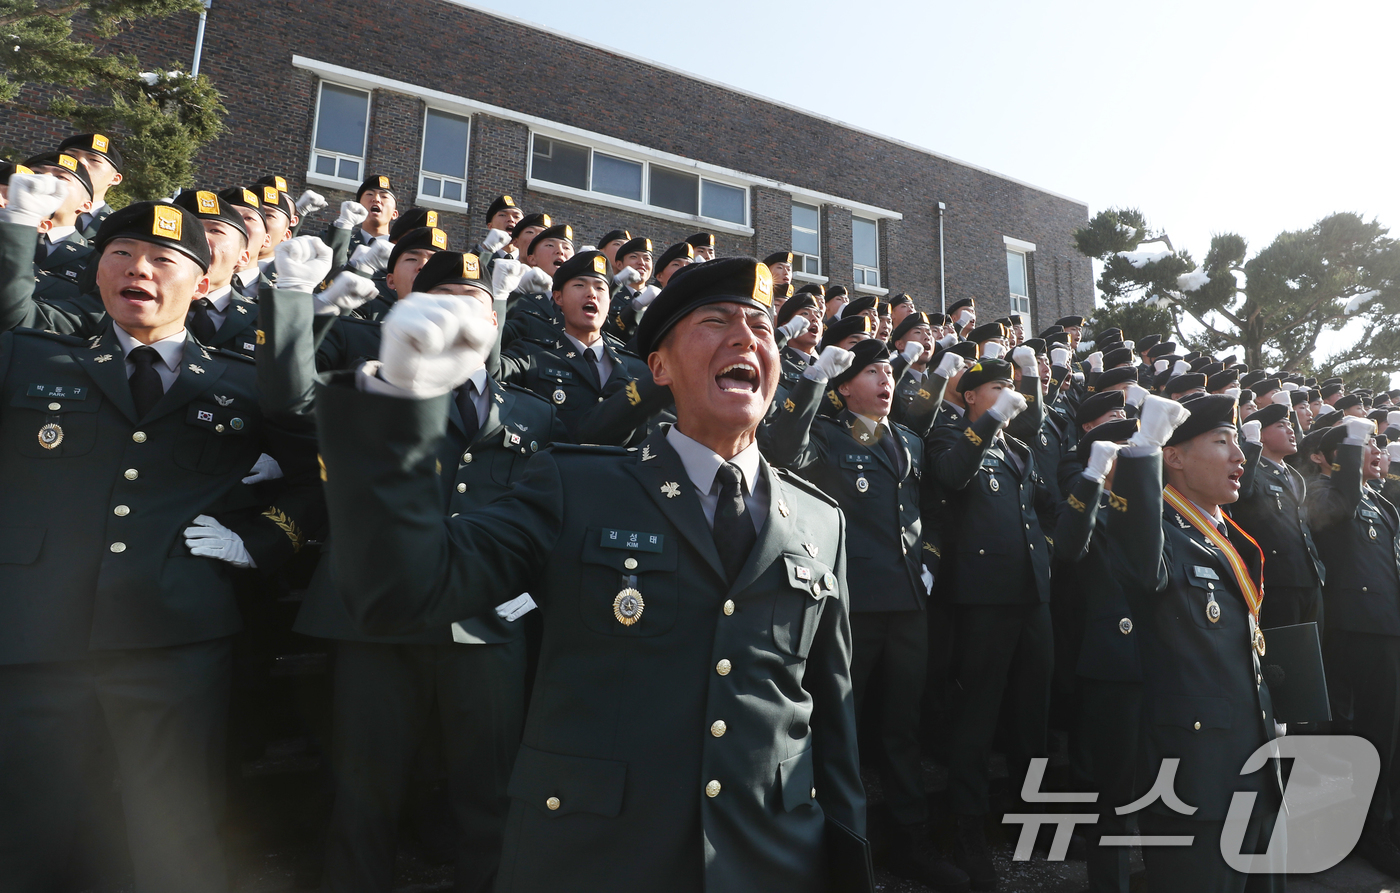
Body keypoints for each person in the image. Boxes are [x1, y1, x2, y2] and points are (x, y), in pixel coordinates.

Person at [315, 256, 867, 891]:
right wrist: (400, 403)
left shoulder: (822, 523)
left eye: (761, 328)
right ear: (657, 368)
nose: (746, 338)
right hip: (595, 856)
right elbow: (401, 590)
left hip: (770, 858)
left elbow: (834, 725)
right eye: (715, 321)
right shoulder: (574, 485)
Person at [0, 192, 320, 893]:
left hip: (174, 639)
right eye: (121, 254)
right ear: (96, 272)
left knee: (170, 832)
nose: (138, 269)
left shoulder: (241, 385)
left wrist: (259, 541)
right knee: (25, 826)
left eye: (162, 259)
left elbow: (317, 478)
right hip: (32, 636)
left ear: (204, 282)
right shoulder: (27, 356)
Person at [262, 248, 564, 893]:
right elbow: (288, 400)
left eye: (476, 298)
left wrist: (527, 591)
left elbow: (553, 509)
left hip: (486, 617)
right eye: (443, 296)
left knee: (491, 793)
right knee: (363, 792)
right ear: (408, 309)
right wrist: (298, 300)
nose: (462, 310)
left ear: (497, 315)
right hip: (375, 614)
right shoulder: (371, 383)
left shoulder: (534, 411)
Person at [765, 337, 967, 891]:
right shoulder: (827, 436)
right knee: (841, 727)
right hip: (851, 605)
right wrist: (811, 381)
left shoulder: (907, 439)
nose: (885, 382)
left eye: (889, 373)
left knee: (902, 727)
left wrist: (928, 562)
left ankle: (911, 843)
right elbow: (780, 449)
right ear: (845, 385)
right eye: (871, 373)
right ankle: (843, 846)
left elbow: (930, 511)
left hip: (908, 603)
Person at [1120, 393, 1284, 893]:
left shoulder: (1220, 534)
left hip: (1252, 762)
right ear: (1175, 457)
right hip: (1196, 780)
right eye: (1222, 442)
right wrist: (1142, 450)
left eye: (1239, 443)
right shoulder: (1159, 532)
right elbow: (1138, 554)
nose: (1240, 457)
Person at [926, 357, 1053, 890]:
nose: (1010, 393)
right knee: (977, 717)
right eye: (998, 387)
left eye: (1012, 386)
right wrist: (990, 421)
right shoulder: (947, 436)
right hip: (984, 597)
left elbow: (1043, 510)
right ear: (971, 394)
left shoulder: (1017, 448)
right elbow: (952, 475)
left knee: (1032, 713)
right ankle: (969, 831)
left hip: (1031, 595)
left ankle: (1035, 818)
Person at [1306, 418, 1400, 876]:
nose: (1377, 453)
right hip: (1352, 633)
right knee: (1354, 738)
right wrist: (1350, 442)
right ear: (1338, 458)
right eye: (1367, 447)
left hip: (1386, 631)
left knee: (1385, 737)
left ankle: (1379, 826)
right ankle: (1352, 831)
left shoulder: (1380, 503)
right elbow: (1334, 512)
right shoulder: (1325, 493)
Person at [1232, 402, 1325, 631]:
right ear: (1261, 436)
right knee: (1283, 657)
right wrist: (1250, 447)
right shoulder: (1254, 471)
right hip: (1276, 581)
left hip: (1308, 577)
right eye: (1281, 425)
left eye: (1290, 424)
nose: (1291, 430)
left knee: (1311, 657)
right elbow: (1241, 492)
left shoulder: (1293, 475)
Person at [56, 133, 123, 240]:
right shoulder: (35, 210)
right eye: (71, 157)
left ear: (115, 178)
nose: (80, 162)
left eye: (93, 160)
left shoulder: (121, 226)